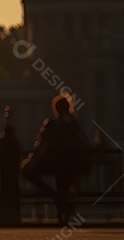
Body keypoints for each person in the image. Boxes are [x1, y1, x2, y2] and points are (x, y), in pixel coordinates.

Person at [21, 94, 91, 223]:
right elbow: (84, 141)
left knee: (59, 188)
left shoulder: (54, 124)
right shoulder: (73, 122)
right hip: (71, 162)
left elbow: (43, 145)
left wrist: (33, 161)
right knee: (65, 188)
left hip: (58, 162)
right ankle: (65, 214)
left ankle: (60, 209)